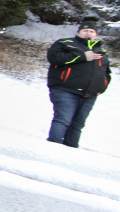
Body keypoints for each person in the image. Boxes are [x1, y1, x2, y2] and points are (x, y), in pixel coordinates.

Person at [46, 20, 111, 148]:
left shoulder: (101, 52)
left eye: (91, 31)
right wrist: (82, 56)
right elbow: (54, 58)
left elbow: (106, 73)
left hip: (89, 95)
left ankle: (71, 154)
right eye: (85, 30)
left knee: (77, 125)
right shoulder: (65, 43)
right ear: (78, 32)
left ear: (95, 35)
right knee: (63, 120)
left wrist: (101, 87)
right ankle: (52, 150)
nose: (88, 33)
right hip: (65, 90)